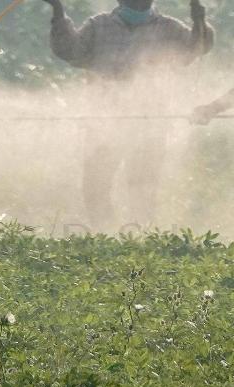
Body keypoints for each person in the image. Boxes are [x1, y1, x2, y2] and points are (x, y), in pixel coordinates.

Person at [41, 0, 214, 228]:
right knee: (95, 185)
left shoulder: (168, 28)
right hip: (103, 122)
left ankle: (142, 237)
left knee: (142, 186)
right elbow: (70, 51)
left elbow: (196, 49)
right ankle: (104, 234)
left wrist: (199, 20)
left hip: (150, 123)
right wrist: (58, 11)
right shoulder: (99, 26)